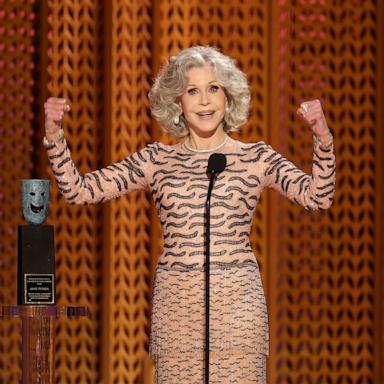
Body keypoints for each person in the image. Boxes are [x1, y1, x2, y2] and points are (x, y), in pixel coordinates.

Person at [44, 46, 335, 383]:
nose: (204, 101)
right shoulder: (157, 160)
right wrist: (54, 136)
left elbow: (319, 197)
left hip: (239, 317)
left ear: (228, 97)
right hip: (177, 316)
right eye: (192, 91)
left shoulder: (256, 157)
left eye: (214, 88)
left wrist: (322, 139)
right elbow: (79, 191)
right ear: (177, 102)